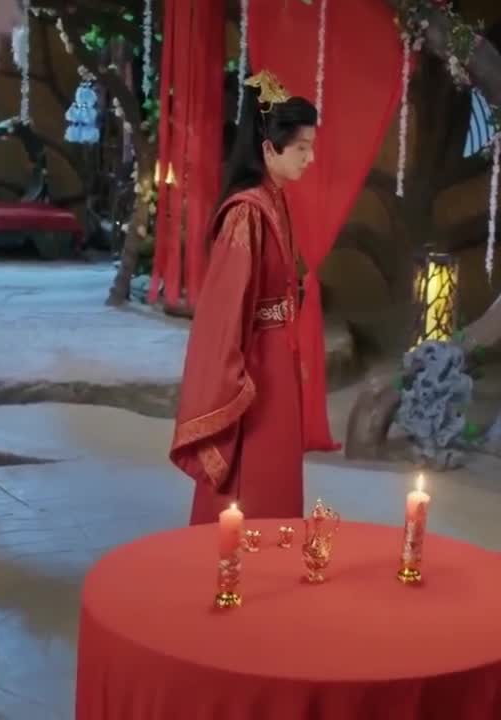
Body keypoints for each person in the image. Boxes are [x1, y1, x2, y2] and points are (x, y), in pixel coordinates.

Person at [169, 70, 318, 525]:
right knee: (251, 487)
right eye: (301, 148)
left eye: (311, 147)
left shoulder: (276, 200)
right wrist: (234, 385)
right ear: (269, 149)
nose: (310, 158)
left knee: (277, 481)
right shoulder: (246, 213)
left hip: (279, 361)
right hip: (256, 373)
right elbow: (223, 312)